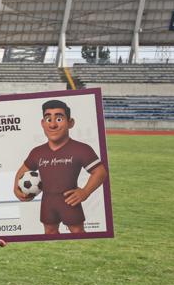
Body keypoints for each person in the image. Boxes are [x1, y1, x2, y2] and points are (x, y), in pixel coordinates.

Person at [14, 99, 107, 234]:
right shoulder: (37, 152)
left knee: (77, 231)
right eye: (48, 119)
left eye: (59, 119)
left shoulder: (81, 149)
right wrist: (16, 188)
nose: (52, 125)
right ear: (42, 123)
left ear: (70, 123)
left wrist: (85, 192)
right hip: (47, 201)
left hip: (70, 201)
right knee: (49, 231)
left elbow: (100, 172)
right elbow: (23, 171)